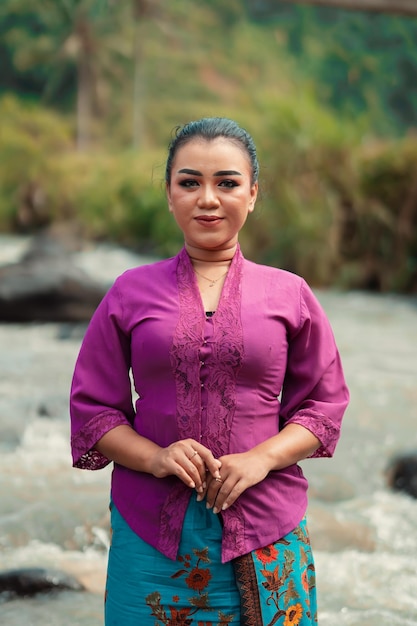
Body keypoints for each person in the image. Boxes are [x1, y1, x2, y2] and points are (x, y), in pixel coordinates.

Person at [70, 117, 349, 625]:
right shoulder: (129, 293)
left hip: (267, 526)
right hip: (151, 533)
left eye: (227, 182)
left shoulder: (290, 294)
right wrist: (156, 458)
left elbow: (324, 407)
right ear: (170, 193)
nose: (208, 199)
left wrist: (261, 459)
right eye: (190, 182)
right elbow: (94, 412)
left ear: (253, 194)